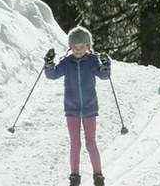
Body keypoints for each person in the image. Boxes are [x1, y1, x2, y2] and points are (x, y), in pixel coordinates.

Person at [44, 26, 112, 186]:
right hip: (72, 108)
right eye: (75, 47)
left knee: (90, 142)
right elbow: (52, 74)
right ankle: (74, 176)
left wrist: (106, 65)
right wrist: (48, 63)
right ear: (70, 47)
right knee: (75, 143)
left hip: (89, 108)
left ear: (88, 46)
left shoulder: (92, 61)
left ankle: (98, 176)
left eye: (82, 47)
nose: (78, 50)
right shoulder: (67, 62)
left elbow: (104, 76)